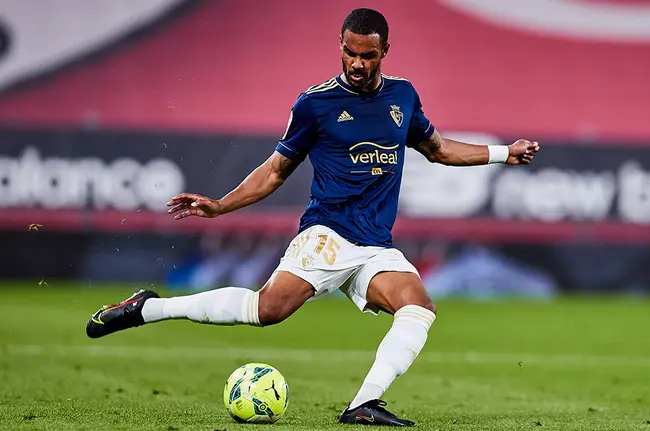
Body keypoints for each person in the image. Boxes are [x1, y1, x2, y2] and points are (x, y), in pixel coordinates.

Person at [85, 8, 540, 427]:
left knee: (418, 307)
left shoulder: (402, 96)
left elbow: (438, 149)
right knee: (267, 311)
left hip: (375, 245)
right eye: (349, 52)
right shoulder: (315, 104)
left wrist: (503, 153)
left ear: (384, 51)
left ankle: (364, 404)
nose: (357, 63)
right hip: (328, 234)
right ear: (340, 44)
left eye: (367, 55)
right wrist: (221, 205)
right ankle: (149, 308)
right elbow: (275, 171)